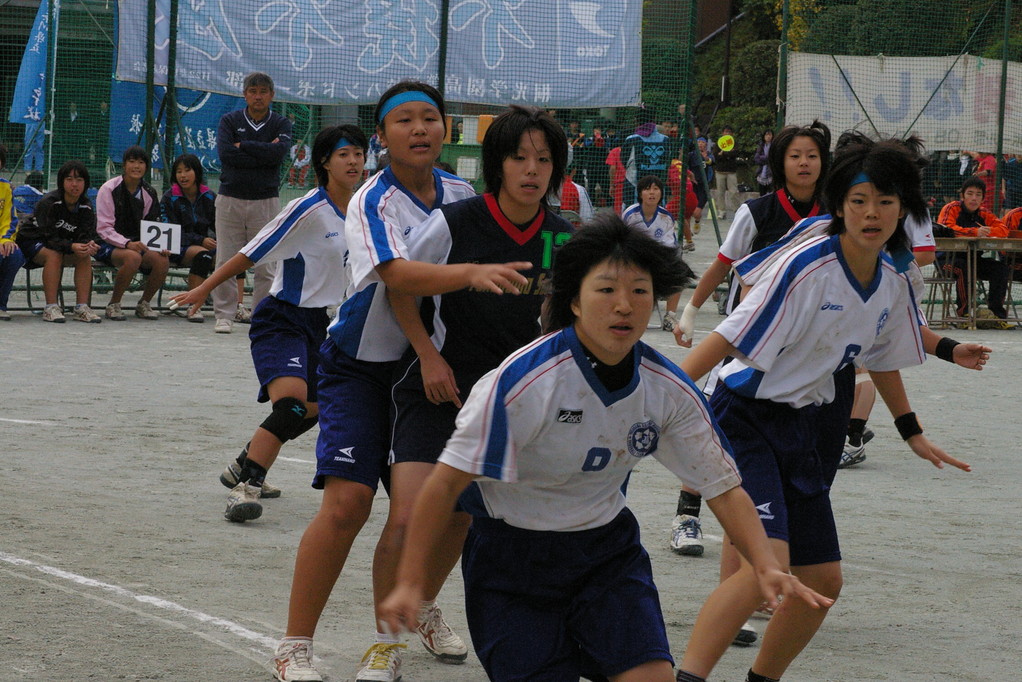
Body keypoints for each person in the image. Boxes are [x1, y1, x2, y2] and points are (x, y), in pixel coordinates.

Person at [378, 214, 832, 682]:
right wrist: (411, 581)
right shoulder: (521, 383)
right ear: (573, 300)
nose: (625, 305)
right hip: (513, 560)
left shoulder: (667, 387)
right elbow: (445, 484)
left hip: (606, 556)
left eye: (640, 291)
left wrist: (764, 564)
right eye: (607, 290)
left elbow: (722, 487)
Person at [673, 134, 972, 682]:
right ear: (839, 206)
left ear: (904, 208)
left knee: (824, 582)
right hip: (746, 417)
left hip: (809, 429)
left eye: (885, 201)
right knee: (765, 567)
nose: (872, 213)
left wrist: (912, 432)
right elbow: (726, 343)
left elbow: (882, 354)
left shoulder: (891, 280)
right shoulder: (808, 268)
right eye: (858, 200)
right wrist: (650, 400)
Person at [269, 81, 531, 682]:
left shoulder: (463, 194)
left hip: (432, 369)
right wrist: (468, 278)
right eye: (404, 121)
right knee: (349, 504)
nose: (420, 129)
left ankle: (414, 614)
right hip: (361, 367)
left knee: (448, 507)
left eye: (430, 119)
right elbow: (393, 274)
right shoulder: (372, 200)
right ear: (381, 137)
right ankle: (294, 645)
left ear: (447, 130)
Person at [381, 103, 576, 679]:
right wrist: (428, 356)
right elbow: (399, 289)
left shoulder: (563, 238)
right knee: (408, 517)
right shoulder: (455, 222)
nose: (531, 169)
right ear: (498, 163)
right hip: (437, 389)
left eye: (543, 159)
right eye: (519, 157)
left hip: (509, 403)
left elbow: (566, 323)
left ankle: (420, 604)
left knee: (462, 519)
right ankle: (382, 642)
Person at [171, 125, 368, 524]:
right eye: (343, 154)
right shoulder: (307, 210)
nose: (353, 161)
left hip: (321, 324)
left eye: (359, 154)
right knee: (292, 405)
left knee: (315, 409)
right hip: (281, 318)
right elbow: (249, 253)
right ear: (325, 162)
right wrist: (204, 289)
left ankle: (243, 462)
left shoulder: (363, 210)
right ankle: (246, 487)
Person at [669, 121, 830, 564]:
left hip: (798, 351)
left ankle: (774, 544)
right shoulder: (757, 212)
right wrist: (690, 310)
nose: (803, 163)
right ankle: (687, 515)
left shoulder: (837, 213)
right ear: (779, 162)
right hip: (745, 342)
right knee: (711, 426)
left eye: (812, 155)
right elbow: (722, 266)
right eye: (795, 155)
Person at [214, 72, 292, 333]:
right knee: (226, 259)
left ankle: (260, 316)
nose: (257, 96)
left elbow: (278, 155)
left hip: (265, 200)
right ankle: (224, 315)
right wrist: (262, 151)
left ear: (271, 95)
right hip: (230, 199)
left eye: (263, 91)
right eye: (252, 91)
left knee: (266, 262)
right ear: (245, 94)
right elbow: (227, 155)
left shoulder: (281, 123)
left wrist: (244, 145)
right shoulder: (229, 120)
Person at [16, 160, 102, 323]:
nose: (74, 184)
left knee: (83, 255)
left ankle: (82, 307)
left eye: (79, 180)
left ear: (85, 183)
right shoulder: (49, 203)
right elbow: (49, 237)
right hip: (31, 241)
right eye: (69, 179)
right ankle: (51, 307)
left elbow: (85, 233)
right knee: (54, 255)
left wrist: (87, 244)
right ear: (62, 182)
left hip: (60, 244)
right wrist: (71, 245)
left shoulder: (86, 205)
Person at [94, 145, 167, 321]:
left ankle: (144, 303)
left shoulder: (149, 192)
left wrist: (160, 246)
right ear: (124, 165)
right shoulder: (109, 189)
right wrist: (126, 244)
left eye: (141, 162)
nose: (136, 166)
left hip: (136, 244)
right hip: (105, 243)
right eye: (132, 161)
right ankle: (114, 304)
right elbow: (104, 228)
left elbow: (152, 227)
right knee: (133, 257)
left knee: (162, 260)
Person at [623, 174, 695, 332]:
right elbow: (623, 243)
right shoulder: (630, 214)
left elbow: (669, 246)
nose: (652, 193)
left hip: (657, 261)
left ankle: (670, 316)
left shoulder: (666, 217)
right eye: (647, 189)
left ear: (661, 193)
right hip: (633, 261)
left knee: (680, 271)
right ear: (640, 193)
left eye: (656, 189)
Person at [936, 176, 1010, 321]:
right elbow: (947, 229)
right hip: (945, 260)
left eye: (978, 195)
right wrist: (974, 232)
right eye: (970, 194)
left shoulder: (984, 213)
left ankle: (997, 315)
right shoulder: (951, 208)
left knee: (1000, 269)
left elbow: (1003, 230)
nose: (974, 198)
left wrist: (988, 231)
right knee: (964, 268)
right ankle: (963, 315)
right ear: (962, 196)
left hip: (974, 259)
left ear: (983, 198)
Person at [160, 153, 220, 322]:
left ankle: (234, 306)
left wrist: (220, 242)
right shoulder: (169, 197)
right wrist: (200, 240)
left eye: (187, 170)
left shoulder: (209, 196)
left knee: (232, 256)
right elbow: (170, 231)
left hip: (204, 244)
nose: (183, 175)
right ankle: (193, 305)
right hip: (177, 245)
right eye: (179, 171)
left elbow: (218, 225)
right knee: (204, 256)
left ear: (197, 173)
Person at [0, 143, 24, 320]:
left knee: (14, 255)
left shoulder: (5, 188)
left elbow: (10, 220)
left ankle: (1, 304)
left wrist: (6, 240)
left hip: (0, 240)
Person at [754, 130, 773, 196]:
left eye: (770, 135)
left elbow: (772, 158)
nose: (768, 136)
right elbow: (756, 158)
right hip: (761, 173)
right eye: (766, 135)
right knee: (762, 195)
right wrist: (766, 158)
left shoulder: (774, 146)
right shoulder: (761, 146)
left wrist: (763, 158)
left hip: (771, 174)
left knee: (771, 194)